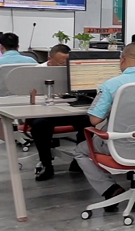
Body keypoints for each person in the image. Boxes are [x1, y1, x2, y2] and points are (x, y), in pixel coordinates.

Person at [74, 43, 135, 210]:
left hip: (120, 146)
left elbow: (94, 120)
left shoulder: (111, 85)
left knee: (80, 151)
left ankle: (110, 189)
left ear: (122, 60)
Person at [31, 44, 91, 181]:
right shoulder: (36, 72)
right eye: (60, 63)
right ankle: (46, 165)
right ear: (50, 59)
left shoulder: (73, 70)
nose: (64, 66)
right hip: (44, 112)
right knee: (40, 124)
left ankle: (79, 160)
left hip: (68, 110)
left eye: (66, 63)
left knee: (88, 120)